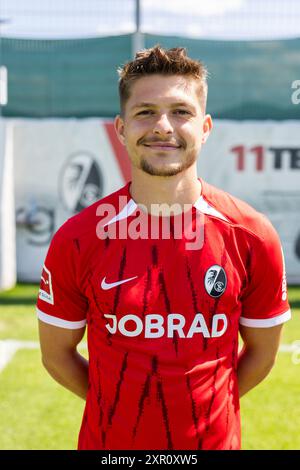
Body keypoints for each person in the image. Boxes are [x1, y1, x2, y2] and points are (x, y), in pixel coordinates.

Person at [37, 46, 291, 450]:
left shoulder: (253, 235)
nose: (162, 126)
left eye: (181, 111)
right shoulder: (78, 238)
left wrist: (205, 410)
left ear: (205, 127)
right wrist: (118, 408)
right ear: (121, 129)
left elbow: (261, 354)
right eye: (145, 112)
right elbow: (56, 356)